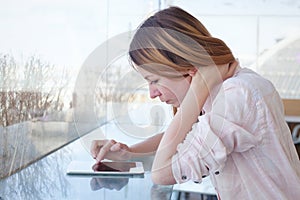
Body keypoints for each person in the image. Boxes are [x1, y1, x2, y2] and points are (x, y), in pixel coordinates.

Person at [91, 6, 300, 199]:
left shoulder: (237, 96)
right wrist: (130, 153)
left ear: (188, 67)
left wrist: (198, 89)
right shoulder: (228, 92)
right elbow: (185, 139)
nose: (152, 93)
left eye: (154, 80)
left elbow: (162, 174)